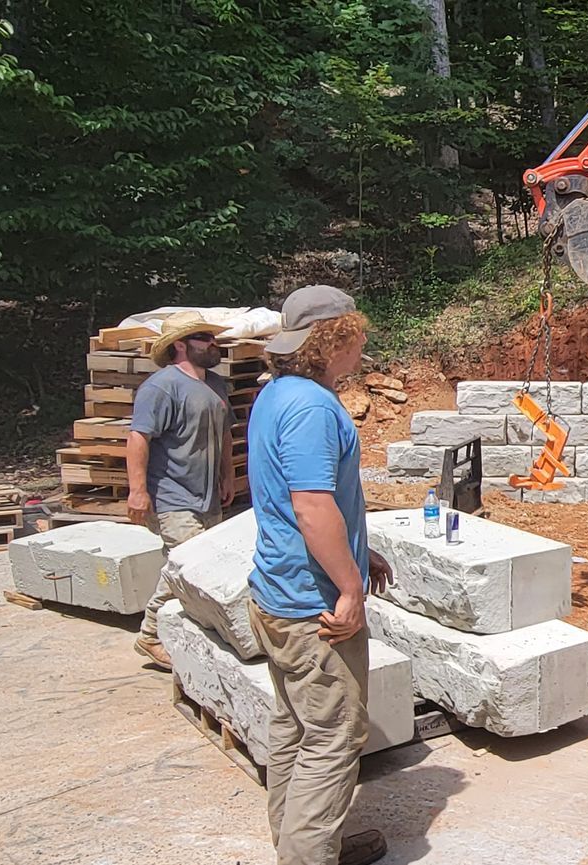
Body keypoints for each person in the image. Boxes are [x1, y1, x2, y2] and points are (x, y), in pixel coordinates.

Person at [246, 284, 393, 865]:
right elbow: (310, 505)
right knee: (333, 739)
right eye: (356, 332)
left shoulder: (277, 394)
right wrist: (350, 586)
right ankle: (307, 856)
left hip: (279, 590)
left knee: (294, 726)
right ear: (336, 337)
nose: (362, 343)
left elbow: (301, 499)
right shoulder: (310, 407)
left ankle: (301, 840)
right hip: (315, 605)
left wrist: (362, 553)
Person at [130, 311, 236, 669]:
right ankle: (149, 635)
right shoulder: (161, 387)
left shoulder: (216, 385)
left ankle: (185, 631)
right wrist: (137, 491)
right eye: (203, 338)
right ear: (180, 345)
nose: (213, 344)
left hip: (207, 494)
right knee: (187, 564)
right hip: (172, 495)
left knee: (193, 566)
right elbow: (139, 438)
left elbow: (224, 435)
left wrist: (227, 476)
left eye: (211, 337)